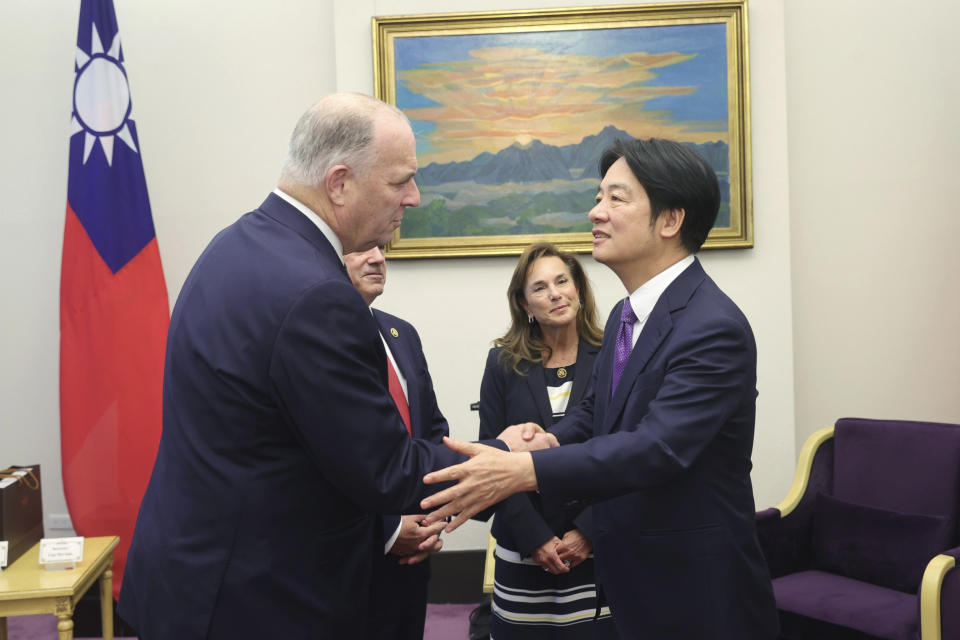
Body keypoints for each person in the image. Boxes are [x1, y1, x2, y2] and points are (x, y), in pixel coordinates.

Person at [117, 93, 553, 640]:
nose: (414, 198)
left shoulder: (239, 244)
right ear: (340, 182)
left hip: (198, 576)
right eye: (400, 182)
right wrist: (507, 455)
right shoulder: (316, 293)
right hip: (255, 598)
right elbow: (386, 469)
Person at [421, 138, 780, 639]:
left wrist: (524, 470)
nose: (596, 213)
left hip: (694, 586)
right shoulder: (624, 316)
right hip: (633, 577)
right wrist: (551, 440)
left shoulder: (711, 326)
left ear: (670, 220)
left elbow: (657, 447)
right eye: (598, 197)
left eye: (616, 199)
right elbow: (598, 414)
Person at [479, 243, 618, 638]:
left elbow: (628, 449)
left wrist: (588, 530)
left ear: (579, 289)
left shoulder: (615, 354)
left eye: (562, 281)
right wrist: (536, 538)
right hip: (523, 545)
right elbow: (493, 456)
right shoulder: (503, 363)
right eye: (540, 288)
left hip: (597, 543)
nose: (555, 293)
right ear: (524, 304)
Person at [344, 245, 447, 640]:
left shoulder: (400, 333)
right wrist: (388, 530)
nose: (377, 259)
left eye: (381, 249)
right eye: (359, 251)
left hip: (417, 549)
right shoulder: (320, 339)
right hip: (354, 552)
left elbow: (432, 428)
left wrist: (434, 516)